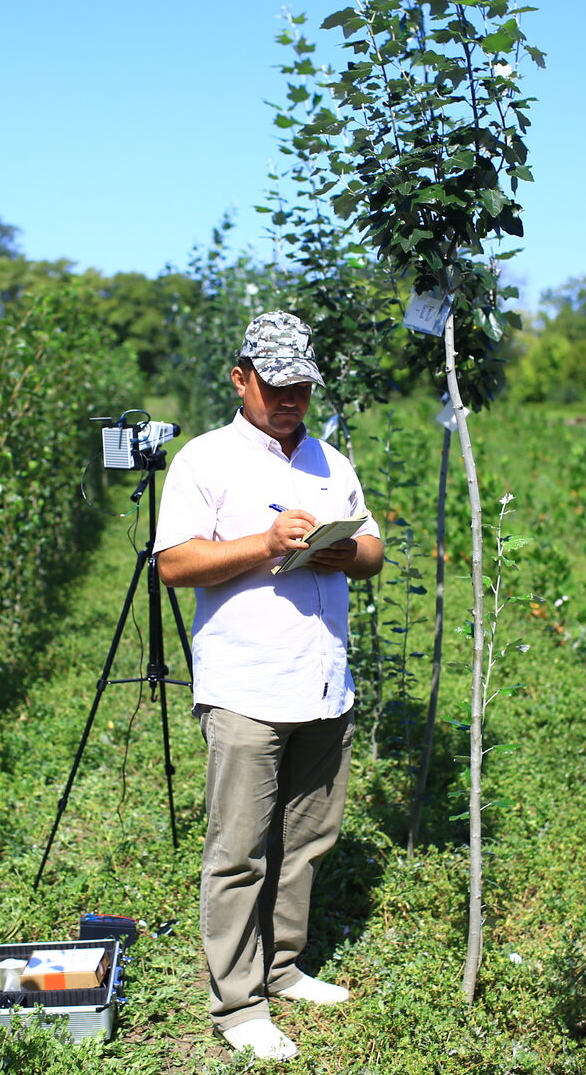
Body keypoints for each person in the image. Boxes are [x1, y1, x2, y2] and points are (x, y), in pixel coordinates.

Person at [155, 311, 383, 1062]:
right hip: (246, 682)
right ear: (241, 378)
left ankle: (281, 968)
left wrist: (344, 553)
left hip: (321, 678)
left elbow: (376, 548)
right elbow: (174, 563)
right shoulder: (204, 460)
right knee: (240, 850)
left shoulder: (330, 460)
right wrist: (266, 543)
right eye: (277, 386)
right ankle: (237, 1002)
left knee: (308, 840)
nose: (291, 400)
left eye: (302, 388)